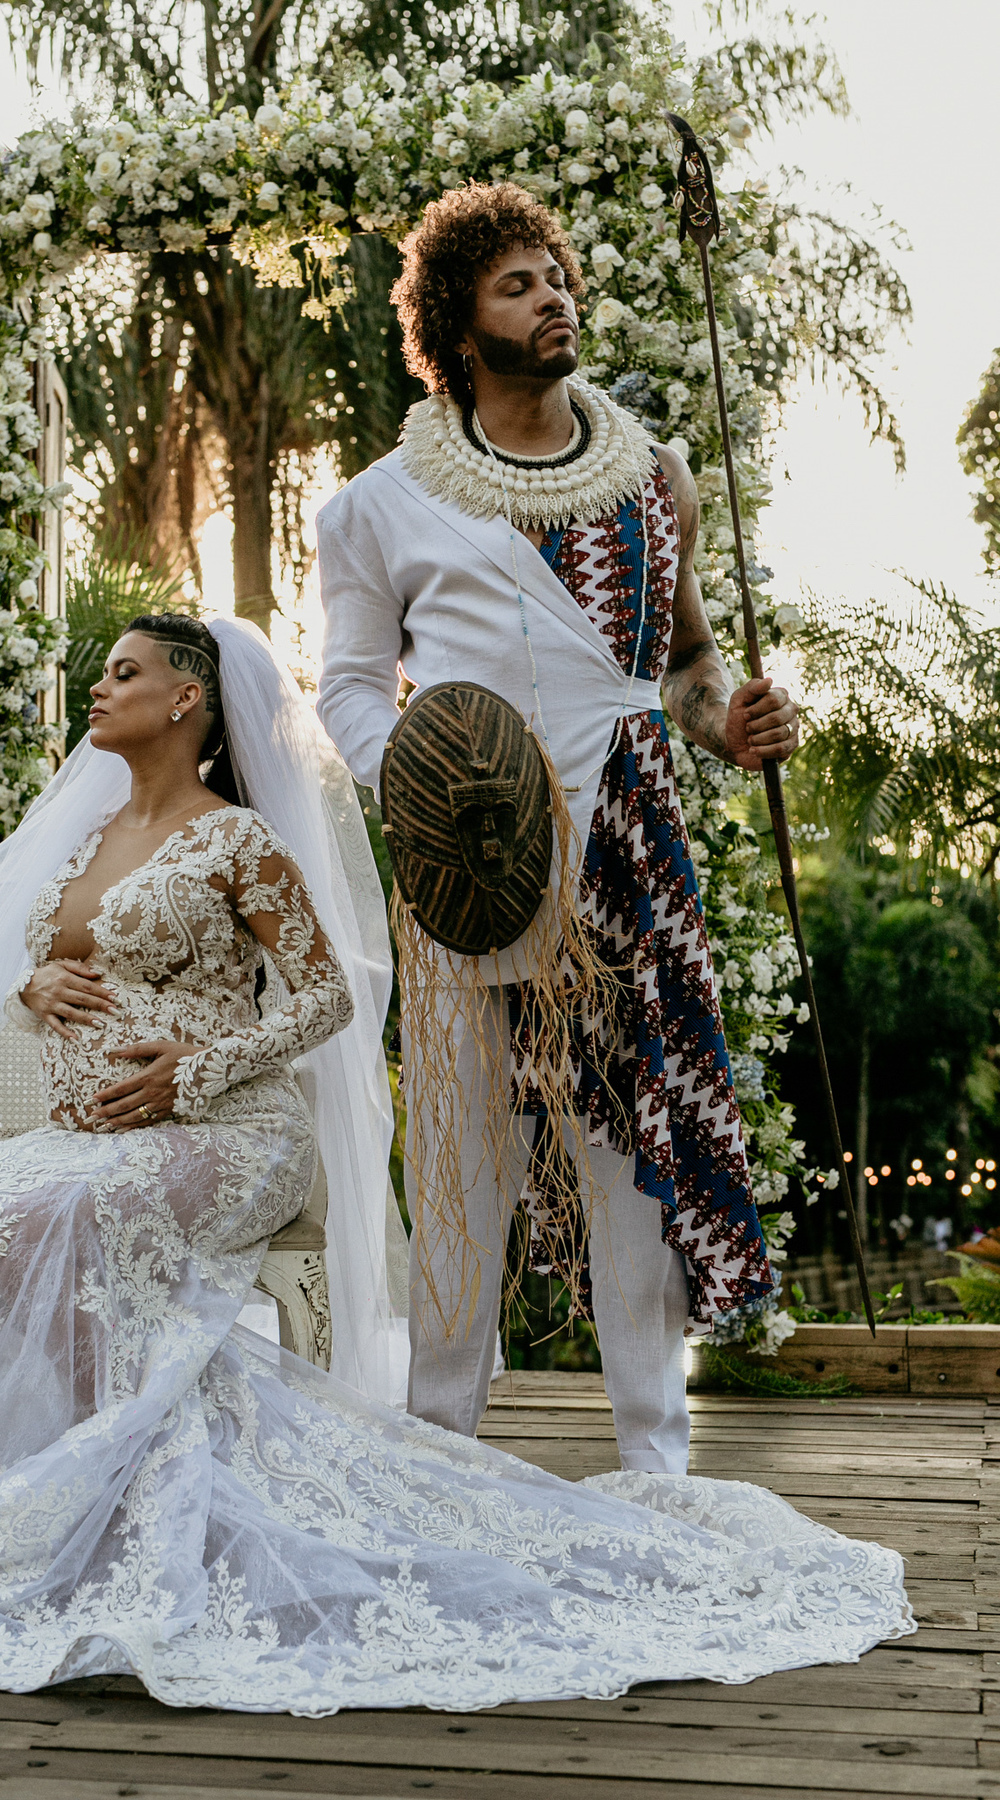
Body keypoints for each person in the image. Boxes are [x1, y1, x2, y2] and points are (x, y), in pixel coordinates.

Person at [0, 609, 909, 1708]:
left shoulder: (236, 840)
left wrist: (193, 1067)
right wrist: (28, 986)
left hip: (229, 1132)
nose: (100, 689)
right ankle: (15, 1488)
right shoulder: (85, 844)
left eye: (125, 673)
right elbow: (44, 969)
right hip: (89, 1132)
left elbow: (329, 998)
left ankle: (89, 1497)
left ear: (186, 699)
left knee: (53, 1215)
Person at [316, 183, 799, 1470]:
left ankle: (660, 1459)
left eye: (557, 277)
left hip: (626, 847)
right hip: (470, 871)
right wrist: (423, 789)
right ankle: (440, 1453)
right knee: (467, 1162)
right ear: (458, 329)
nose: (553, 298)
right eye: (518, 284)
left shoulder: (652, 476)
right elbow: (354, 687)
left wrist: (726, 723)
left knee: (624, 1147)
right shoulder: (381, 503)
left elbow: (687, 664)